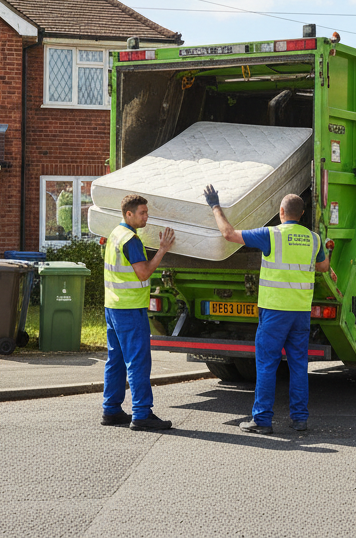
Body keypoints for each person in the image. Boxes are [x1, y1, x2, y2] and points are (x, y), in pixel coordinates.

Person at [205, 185, 330, 434]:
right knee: (298, 366)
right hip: (301, 312)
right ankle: (300, 419)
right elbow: (324, 267)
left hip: (275, 312)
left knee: (267, 365)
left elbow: (228, 234)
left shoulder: (271, 235)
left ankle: (262, 420)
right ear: (302, 213)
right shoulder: (314, 239)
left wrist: (214, 206)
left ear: (281, 211)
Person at [102, 194, 175, 430]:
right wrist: (162, 250)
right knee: (138, 361)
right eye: (142, 213)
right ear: (129, 214)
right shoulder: (131, 240)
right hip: (130, 309)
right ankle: (142, 414)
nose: (146, 216)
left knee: (116, 360)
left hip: (113, 306)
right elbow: (143, 273)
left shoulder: (115, 234)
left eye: (146, 212)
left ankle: (111, 410)